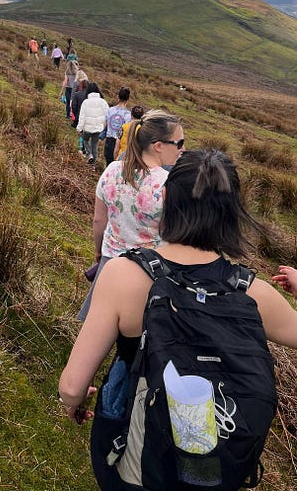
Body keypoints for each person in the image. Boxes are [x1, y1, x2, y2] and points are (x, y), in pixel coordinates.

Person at [59, 149, 297, 490]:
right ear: (233, 212)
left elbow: (70, 386)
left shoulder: (123, 275)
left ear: (166, 198)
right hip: (215, 452)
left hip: (134, 448)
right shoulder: (255, 294)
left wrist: (75, 403)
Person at [78, 110, 183, 320]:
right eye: (179, 143)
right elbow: (173, 235)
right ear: (159, 145)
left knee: (100, 322)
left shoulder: (112, 170)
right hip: (149, 271)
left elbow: (99, 220)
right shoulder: (169, 184)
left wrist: (99, 251)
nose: (183, 149)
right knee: (136, 329)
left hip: (110, 260)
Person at [76, 83, 109, 165]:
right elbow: (107, 116)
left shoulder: (86, 102)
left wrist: (79, 128)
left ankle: (89, 155)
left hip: (87, 128)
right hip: (98, 128)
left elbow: (82, 117)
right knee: (94, 146)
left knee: (85, 140)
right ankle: (92, 165)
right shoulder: (103, 102)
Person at [104, 87, 131, 166]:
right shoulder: (128, 115)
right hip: (120, 143)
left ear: (118, 96)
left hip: (109, 140)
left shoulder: (110, 110)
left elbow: (104, 125)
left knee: (109, 164)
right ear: (128, 99)